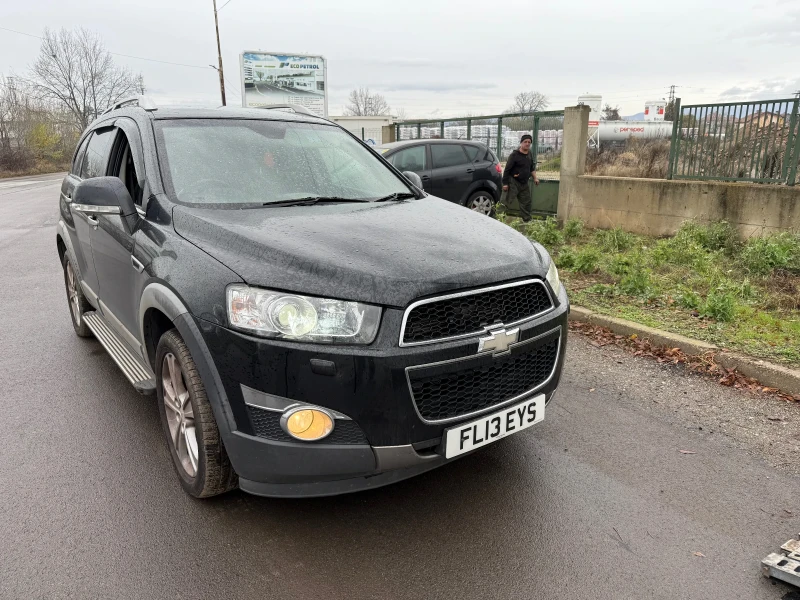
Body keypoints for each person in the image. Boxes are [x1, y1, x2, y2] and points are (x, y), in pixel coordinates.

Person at [501, 134, 539, 222]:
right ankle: (498, 220)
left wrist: (535, 178)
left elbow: (531, 168)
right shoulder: (514, 155)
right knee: (505, 202)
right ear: (521, 143)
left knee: (526, 203)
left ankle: (527, 221)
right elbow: (507, 170)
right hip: (513, 182)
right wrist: (505, 184)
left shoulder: (529, 154)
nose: (527, 144)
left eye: (529, 142)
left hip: (524, 184)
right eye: (525, 142)